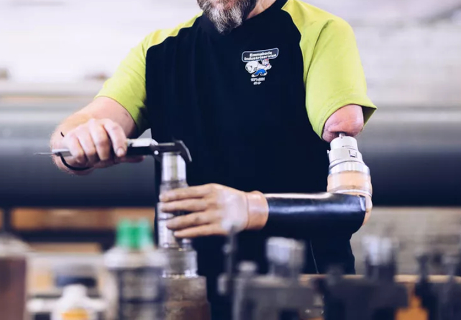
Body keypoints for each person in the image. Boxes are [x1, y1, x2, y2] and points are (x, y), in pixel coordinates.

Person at [50, 0, 376, 318]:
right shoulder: (159, 50)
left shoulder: (319, 31)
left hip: (305, 291)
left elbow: (351, 201)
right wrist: (79, 141)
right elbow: (74, 131)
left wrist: (248, 209)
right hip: (189, 296)